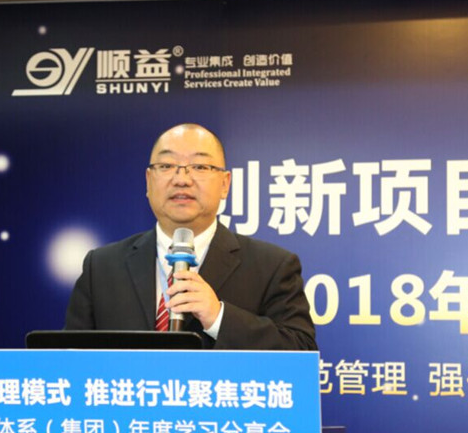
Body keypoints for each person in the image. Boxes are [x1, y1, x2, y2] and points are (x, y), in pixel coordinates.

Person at [65, 123, 316, 350]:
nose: (181, 179)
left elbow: (301, 351)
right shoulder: (101, 267)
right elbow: (67, 358)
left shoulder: (272, 267)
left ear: (225, 184)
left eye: (199, 167)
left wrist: (218, 318)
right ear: (148, 181)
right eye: (166, 166)